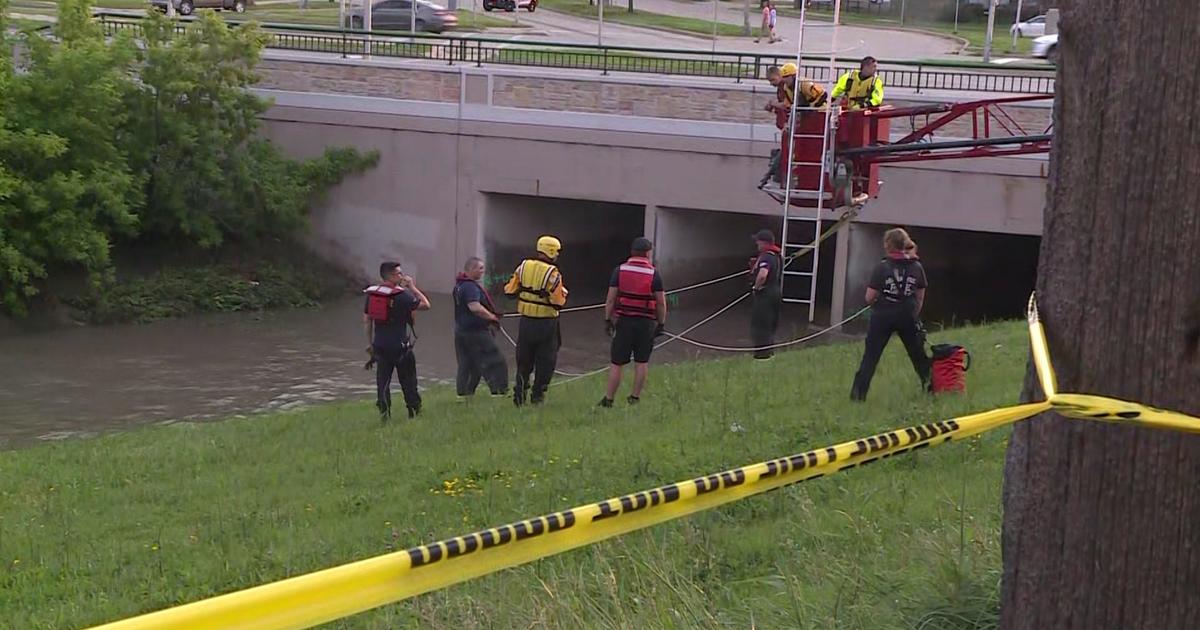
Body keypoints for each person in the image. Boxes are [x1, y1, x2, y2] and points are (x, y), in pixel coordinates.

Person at [849, 227, 931, 401]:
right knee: (917, 354)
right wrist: (913, 313)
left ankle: (858, 395)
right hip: (907, 315)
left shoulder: (882, 267)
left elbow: (869, 297)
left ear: (888, 245)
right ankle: (930, 387)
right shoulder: (917, 266)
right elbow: (920, 295)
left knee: (871, 357)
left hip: (883, 316)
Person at [600, 237, 667, 408]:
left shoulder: (619, 270)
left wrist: (608, 320)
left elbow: (610, 299)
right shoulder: (654, 274)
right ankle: (634, 398)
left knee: (617, 362)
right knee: (642, 362)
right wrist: (661, 323)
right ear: (647, 253)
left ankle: (609, 399)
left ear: (632, 252)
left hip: (624, 322)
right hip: (646, 324)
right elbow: (660, 302)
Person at [504, 236, 568, 406]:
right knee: (546, 360)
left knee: (524, 359)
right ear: (552, 251)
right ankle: (538, 396)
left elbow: (509, 292)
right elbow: (558, 302)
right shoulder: (553, 273)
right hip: (547, 324)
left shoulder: (523, 267)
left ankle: (519, 395)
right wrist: (563, 294)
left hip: (526, 323)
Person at [364, 262, 431, 421]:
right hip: (400, 346)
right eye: (399, 273)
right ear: (392, 276)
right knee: (408, 381)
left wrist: (370, 344)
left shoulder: (373, 294)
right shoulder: (402, 295)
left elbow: (367, 321)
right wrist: (413, 287)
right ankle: (413, 412)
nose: (402, 276)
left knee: (383, 382)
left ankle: (385, 415)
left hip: (380, 345)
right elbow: (426, 305)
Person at [453, 257, 508, 400]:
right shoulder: (470, 287)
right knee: (495, 359)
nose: (483, 271)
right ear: (471, 269)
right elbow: (474, 307)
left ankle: (464, 395)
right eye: (480, 268)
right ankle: (499, 392)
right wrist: (492, 317)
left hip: (461, 332)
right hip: (476, 332)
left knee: (468, 363)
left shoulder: (459, 286)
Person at [749, 229, 783, 360]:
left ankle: (761, 356)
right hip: (776, 292)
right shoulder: (777, 256)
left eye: (758, 242)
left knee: (760, 324)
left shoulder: (767, 256)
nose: (757, 244)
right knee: (771, 324)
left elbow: (763, 274)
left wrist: (756, 288)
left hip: (765, 295)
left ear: (764, 243)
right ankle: (770, 352)